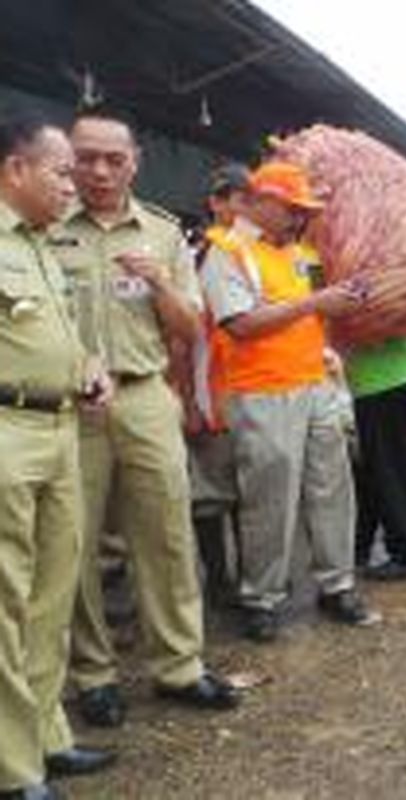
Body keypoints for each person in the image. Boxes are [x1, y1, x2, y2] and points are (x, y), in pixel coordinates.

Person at [52, 110, 237, 728]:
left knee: (165, 535)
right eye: (86, 157)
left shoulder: (161, 233)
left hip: (145, 396)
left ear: (135, 162)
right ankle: (93, 675)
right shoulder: (44, 226)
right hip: (69, 407)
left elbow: (190, 331)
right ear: (68, 159)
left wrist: (161, 284)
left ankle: (179, 666)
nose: (99, 170)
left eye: (113, 158)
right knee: (74, 545)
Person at [199, 160, 377, 642]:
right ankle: (262, 597)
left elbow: (301, 317)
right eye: (291, 208)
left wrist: (330, 320)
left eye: (303, 210)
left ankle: (337, 586)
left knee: (331, 486)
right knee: (269, 498)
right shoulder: (225, 252)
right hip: (262, 392)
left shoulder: (299, 254)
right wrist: (317, 304)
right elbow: (238, 324)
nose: (299, 217)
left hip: (313, 383)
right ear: (260, 201)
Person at [0, 111, 115, 800]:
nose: (74, 185)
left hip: (61, 428)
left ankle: (45, 737)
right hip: (7, 432)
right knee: (4, 601)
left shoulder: (43, 244)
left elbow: (53, 336)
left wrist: (89, 368)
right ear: (16, 169)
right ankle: (13, 770)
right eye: (61, 171)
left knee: (50, 597)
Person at [181, 165, 251, 602]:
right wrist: (190, 401)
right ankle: (219, 582)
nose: (249, 211)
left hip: (250, 393)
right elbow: (183, 339)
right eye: (241, 201)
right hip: (215, 395)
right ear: (217, 203)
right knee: (210, 497)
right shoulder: (203, 256)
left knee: (250, 495)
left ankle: (247, 577)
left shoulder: (253, 255)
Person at [347, 337, 406, 579]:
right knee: (371, 468)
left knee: (387, 469)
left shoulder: (377, 299)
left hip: (383, 382)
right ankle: (358, 546)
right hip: (395, 377)